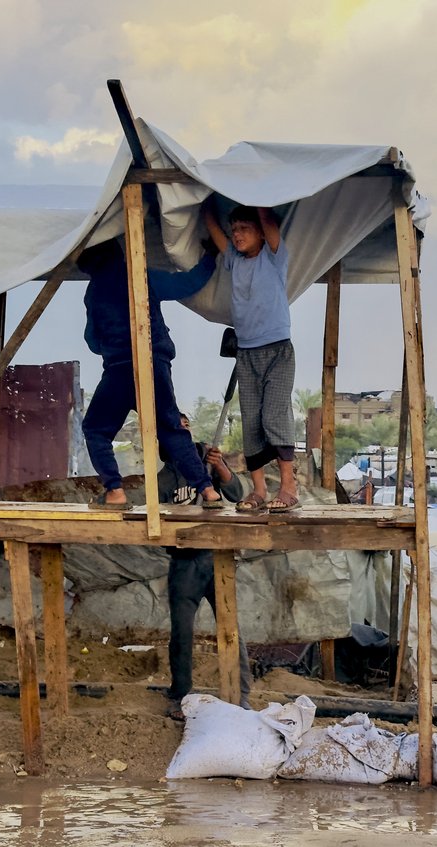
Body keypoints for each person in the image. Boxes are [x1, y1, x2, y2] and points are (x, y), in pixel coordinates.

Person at [79, 238, 222, 509]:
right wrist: (211, 255)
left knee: (96, 430)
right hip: (155, 365)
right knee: (171, 431)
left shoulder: (94, 291)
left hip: (119, 370)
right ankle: (208, 490)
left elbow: (92, 342)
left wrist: (114, 342)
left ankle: (115, 492)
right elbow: (188, 283)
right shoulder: (141, 277)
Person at [203, 202, 299, 513]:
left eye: (244, 229)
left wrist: (256, 198)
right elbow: (215, 231)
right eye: (234, 231)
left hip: (277, 350)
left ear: (259, 231)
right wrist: (206, 206)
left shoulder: (274, 258)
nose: (237, 235)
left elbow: (269, 222)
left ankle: (288, 488)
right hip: (247, 352)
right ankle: (258, 490)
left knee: (275, 416)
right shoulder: (234, 260)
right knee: (252, 424)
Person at [163, 413, 252, 717]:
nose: (185, 434)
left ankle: (240, 696)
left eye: (188, 427)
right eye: (179, 428)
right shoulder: (162, 479)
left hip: (217, 560)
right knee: (181, 634)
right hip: (184, 565)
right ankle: (180, 696)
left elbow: (237, 494)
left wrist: (221, 466)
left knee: (230, 630)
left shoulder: (207, 465)